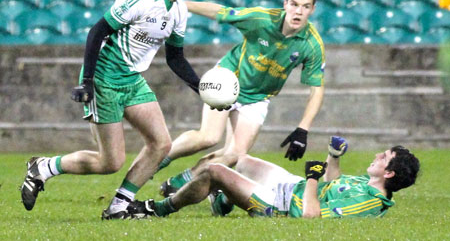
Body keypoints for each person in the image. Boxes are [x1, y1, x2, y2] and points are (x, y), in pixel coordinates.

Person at [20, 0, 202, 220]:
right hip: (105, 77)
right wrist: (88, 81)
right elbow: (97, 31)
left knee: (161, 144)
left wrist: (202, 89)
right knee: (110, 161)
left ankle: (118, 207)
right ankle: (44, 167)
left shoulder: (179, 10)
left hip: (131, 79)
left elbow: (175, 58)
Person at [157, 0, 326, 197]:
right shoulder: (261, 19)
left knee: (235, 155)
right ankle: (157, 157)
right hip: (228, 79)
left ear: (312, 10)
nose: (298, 11)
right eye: (294, 4)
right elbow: (221, 12)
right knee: (208, 137)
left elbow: (317, 90)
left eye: (305, 6)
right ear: (285, 4)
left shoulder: (312, 44)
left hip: (258, 97)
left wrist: (303, 129)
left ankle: (182, 180)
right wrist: (182, 4)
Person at [124, 136, 420, 219]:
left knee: (215, 171)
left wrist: (313, 180)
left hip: (279, 205)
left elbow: (311, 216)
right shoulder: (365, 183)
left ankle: (155, 209)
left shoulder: (368, 203)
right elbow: (332, 183)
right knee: (242, 160)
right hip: (292, 185)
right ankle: (223, 199)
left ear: (389, 173)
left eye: (384, 158)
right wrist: (333, 158)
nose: (377, 156)